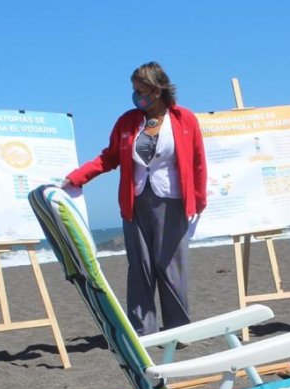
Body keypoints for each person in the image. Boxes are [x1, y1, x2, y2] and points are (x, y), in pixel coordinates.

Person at [65, 61, 207, 336]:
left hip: (172, 199)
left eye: (141, 90)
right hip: (135, 201)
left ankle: (179, 330)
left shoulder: (184, 119)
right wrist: (78, 176)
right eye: (134, 90)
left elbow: (198, 161)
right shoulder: (127, 121)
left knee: (170, 267)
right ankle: (143, 331)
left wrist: (199, 201)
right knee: (140, 268)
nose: (136, 95)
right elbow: (109, 157)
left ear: (157, 89)